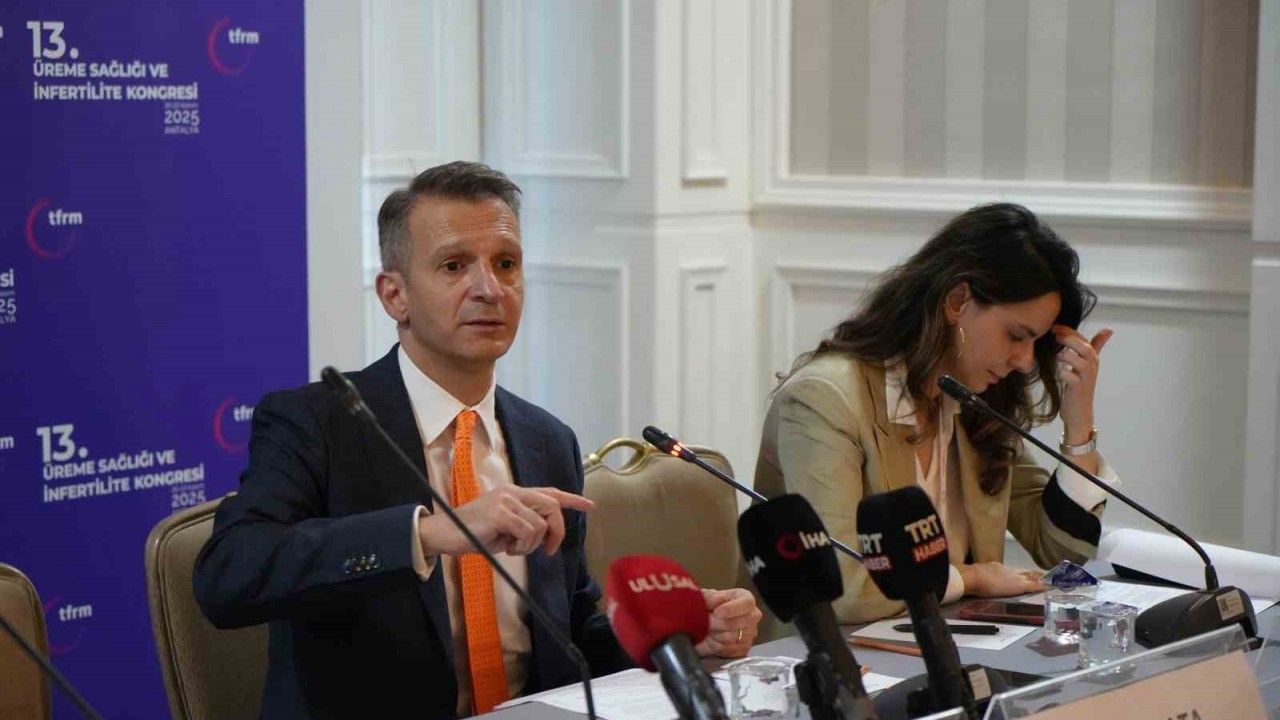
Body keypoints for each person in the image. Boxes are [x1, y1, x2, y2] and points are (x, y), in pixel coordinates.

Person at [194, 161, 761, 719]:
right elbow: (229, 575)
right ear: (394, 296)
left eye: (506, 264)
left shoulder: (545, 440)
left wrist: (680, 640)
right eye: (454, 266)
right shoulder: (317, 423)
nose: (490, 289)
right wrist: (429, 533)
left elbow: (569, 638)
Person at [754, 203, 1118, 625]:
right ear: (957, 301)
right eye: (1016, 335)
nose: (1024, 362)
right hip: (834, 652)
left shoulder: (975, 402)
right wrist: (970, 578)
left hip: (952, 642)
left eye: (1035, 345)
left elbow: (1063, 552)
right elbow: (842, 589)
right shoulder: (826, 399)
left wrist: (1078, 427)